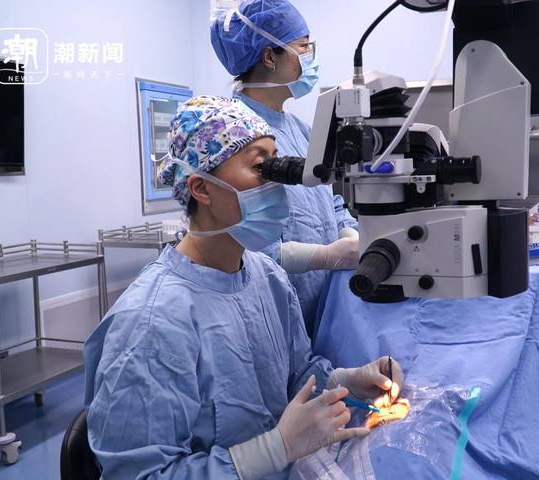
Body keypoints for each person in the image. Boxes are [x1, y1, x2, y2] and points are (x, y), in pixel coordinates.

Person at [83, 96, 404, 479]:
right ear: (202, 189)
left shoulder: (267, 278)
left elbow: (297, 376)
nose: (280, 182)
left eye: (277, 162)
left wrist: (346, 382)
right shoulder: (150, 325)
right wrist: (275, 448)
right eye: (260, 167)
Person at [210, 0, 359, 335]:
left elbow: (330, 201)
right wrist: (324, 256)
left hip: (324, 302)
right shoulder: (233, 132)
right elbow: (242, 241)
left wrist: (348, 234)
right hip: (272, 304)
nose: (310, 55)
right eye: (303, 46)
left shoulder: (302, 130)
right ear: (269, 57)